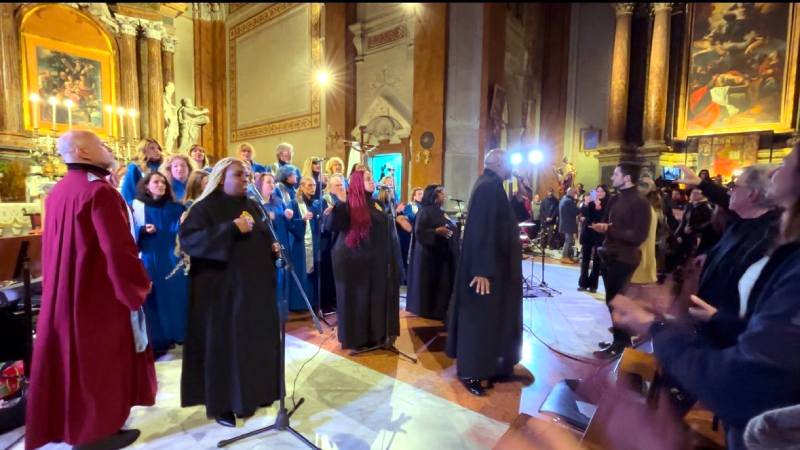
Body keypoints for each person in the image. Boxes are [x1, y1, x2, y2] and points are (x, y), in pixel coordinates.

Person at [610, 144, 800, 450]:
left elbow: (743, 378)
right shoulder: (744, 225)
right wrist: (716, 316)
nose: (778, 168)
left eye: (788, 161)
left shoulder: (780, 247)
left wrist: (655, 326)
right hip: (712, 332)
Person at [26, 131, 156, 450]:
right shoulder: (100, 192)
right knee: (102, 363)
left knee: (75, 362)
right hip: (98, 295)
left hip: (65, 292)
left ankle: (78, 428)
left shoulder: (57, 192)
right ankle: (99, 432)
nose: (107, 148)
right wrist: (137, 286)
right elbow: (118, 251)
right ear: (83, 152)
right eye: (100, 144)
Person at [179, 157, 281, 428]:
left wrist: (272, 246)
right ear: (221, 178)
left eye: (247, 174)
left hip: (254, 291)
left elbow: (264, 233)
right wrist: (230, 228)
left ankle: (256, 393)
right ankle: (222, 404)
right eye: (239, 174)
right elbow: (190, 241)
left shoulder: (252, 205)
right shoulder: (203, 208)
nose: (246, 179)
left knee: (253, 343)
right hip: (222, 296)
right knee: (226, 348)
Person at [675, 164, 780, 344]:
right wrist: (713, 255)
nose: (729, 191)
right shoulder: (742, 220)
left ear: (752, 194)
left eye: (733, 186)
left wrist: (719, 318)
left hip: (729, 334)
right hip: (710, 321)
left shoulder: (768, 239)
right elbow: (724, 199)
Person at [447, 149, 522, 396]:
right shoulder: (488, 188)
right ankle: (472, 372)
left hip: (494, 269)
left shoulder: (492, 185)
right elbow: (481, 229)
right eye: (509, 162)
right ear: (499, 163)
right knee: (478, 320)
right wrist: (481, 270)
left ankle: (490, 365)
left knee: (489, 319)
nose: (512, 167)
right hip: (484, 271)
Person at [328, 169, 401, 350]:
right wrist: (340, 204)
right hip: (354, 262)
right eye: (368, 179)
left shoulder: (376, 203)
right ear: (358, 182)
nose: (372, 181)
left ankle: (375, 335)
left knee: (373, 299)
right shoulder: (349, 203)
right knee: (358, 301)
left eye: (372, 178)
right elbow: (332, 225)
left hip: (375, 260)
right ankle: (357, 339)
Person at [590, 160, 652, 360]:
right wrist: (603, 227)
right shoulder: (616, 199)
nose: (612, 177)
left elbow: (639, 236)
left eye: (615, 174)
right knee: (612, 300)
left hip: (624, 257)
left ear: (627, 178)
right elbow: (609, 223)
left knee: (617, 301)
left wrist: (610, 230)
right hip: (609, 254)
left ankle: (621, 343)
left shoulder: (640, 203)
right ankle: (619, 340)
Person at [132, 171, 188, 356]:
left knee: (175, 297)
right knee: (153, 300)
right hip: (149, 257)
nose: (161, 185)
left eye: (163, 182)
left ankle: (178, 334)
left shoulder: (175, 208)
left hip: (172, 257)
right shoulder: (136, 207)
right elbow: (127, 231)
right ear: (146, 186)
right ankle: (158, 340)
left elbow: (184, 231)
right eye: (156, 182)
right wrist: (141, 230)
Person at [406, 185, 459, 321]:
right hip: (429, 258)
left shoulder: (440, 211)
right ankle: (430, 311)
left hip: (442, 256)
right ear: (434, 195)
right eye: (441, 192)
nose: (444, 195)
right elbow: (419, 232)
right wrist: (436, 231)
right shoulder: (424, 211)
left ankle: (440, 310)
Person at [257, 171, 294, 321]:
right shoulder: (255, 203)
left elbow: (286, 220)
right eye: (268, 182)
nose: (272, 185)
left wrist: (288, 215)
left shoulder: (278, 201)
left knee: (282, 278)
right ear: (260, 184)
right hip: (266, 246)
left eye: (273, 182)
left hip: (281, 242)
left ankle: (281, 315)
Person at [287, 176, 320, 312]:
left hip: (315, 243)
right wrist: (302, 220)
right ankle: (299, 305)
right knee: (301, 273)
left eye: (314, 185)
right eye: (309, 185)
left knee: (314, 274)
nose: (313, 188)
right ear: (301, 186)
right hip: (299, 244)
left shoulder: (316, 204)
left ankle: (313, 302)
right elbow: (289, 223)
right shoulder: (294, 203)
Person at [319, 173, 346, 314]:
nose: (340, 187)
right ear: (330, 187)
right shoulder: (325, 200)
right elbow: (324, 222)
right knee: (328, 273)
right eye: (337, 185)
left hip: (342, 241)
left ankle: (337, 300)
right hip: (328, 241)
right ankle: (327, 303)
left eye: (342, 185)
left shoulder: (346, 200)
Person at [578, 185, 607, 292]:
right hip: (588, 233)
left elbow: (604, 219)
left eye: (602, 191)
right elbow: (586, 217)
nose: (599, 193)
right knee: (585, 259)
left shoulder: (608, 205)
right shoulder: (590, 203)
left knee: (597, 261)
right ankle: (583, 284)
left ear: (605, 193)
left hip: (599, 234)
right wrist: (589, 204)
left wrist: (599, 208)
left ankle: (593, 285)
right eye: (598, 191)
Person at [120, 138, 163, 206]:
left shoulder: (163, 165)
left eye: (158, 148)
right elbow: (128, 191)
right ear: (143, 151)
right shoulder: (135, 167)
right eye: (152, 148)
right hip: (142, 205)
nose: (157, 151)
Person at [675, 188, 714, 263]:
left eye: (696, 193)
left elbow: (709, 223)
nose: (693, 195)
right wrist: (678, 234)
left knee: (692, 257)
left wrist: (693, 228)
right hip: (686, 235)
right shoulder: (689, 205)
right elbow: (684, 221)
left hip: (697, 236)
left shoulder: (706, 207)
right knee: (681, 254)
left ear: (703, 195)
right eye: (692, 193)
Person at [559, 187, 580, 262]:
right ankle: (565, 257)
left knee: (568, 240)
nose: (575, 194)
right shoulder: (569, 201)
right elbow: (576, 211)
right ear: (572, 193)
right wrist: (578, 205)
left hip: (565, 223)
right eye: (575, 193)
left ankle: (567, 256)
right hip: (568, 224)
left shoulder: (563, 199)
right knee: (569, 241)